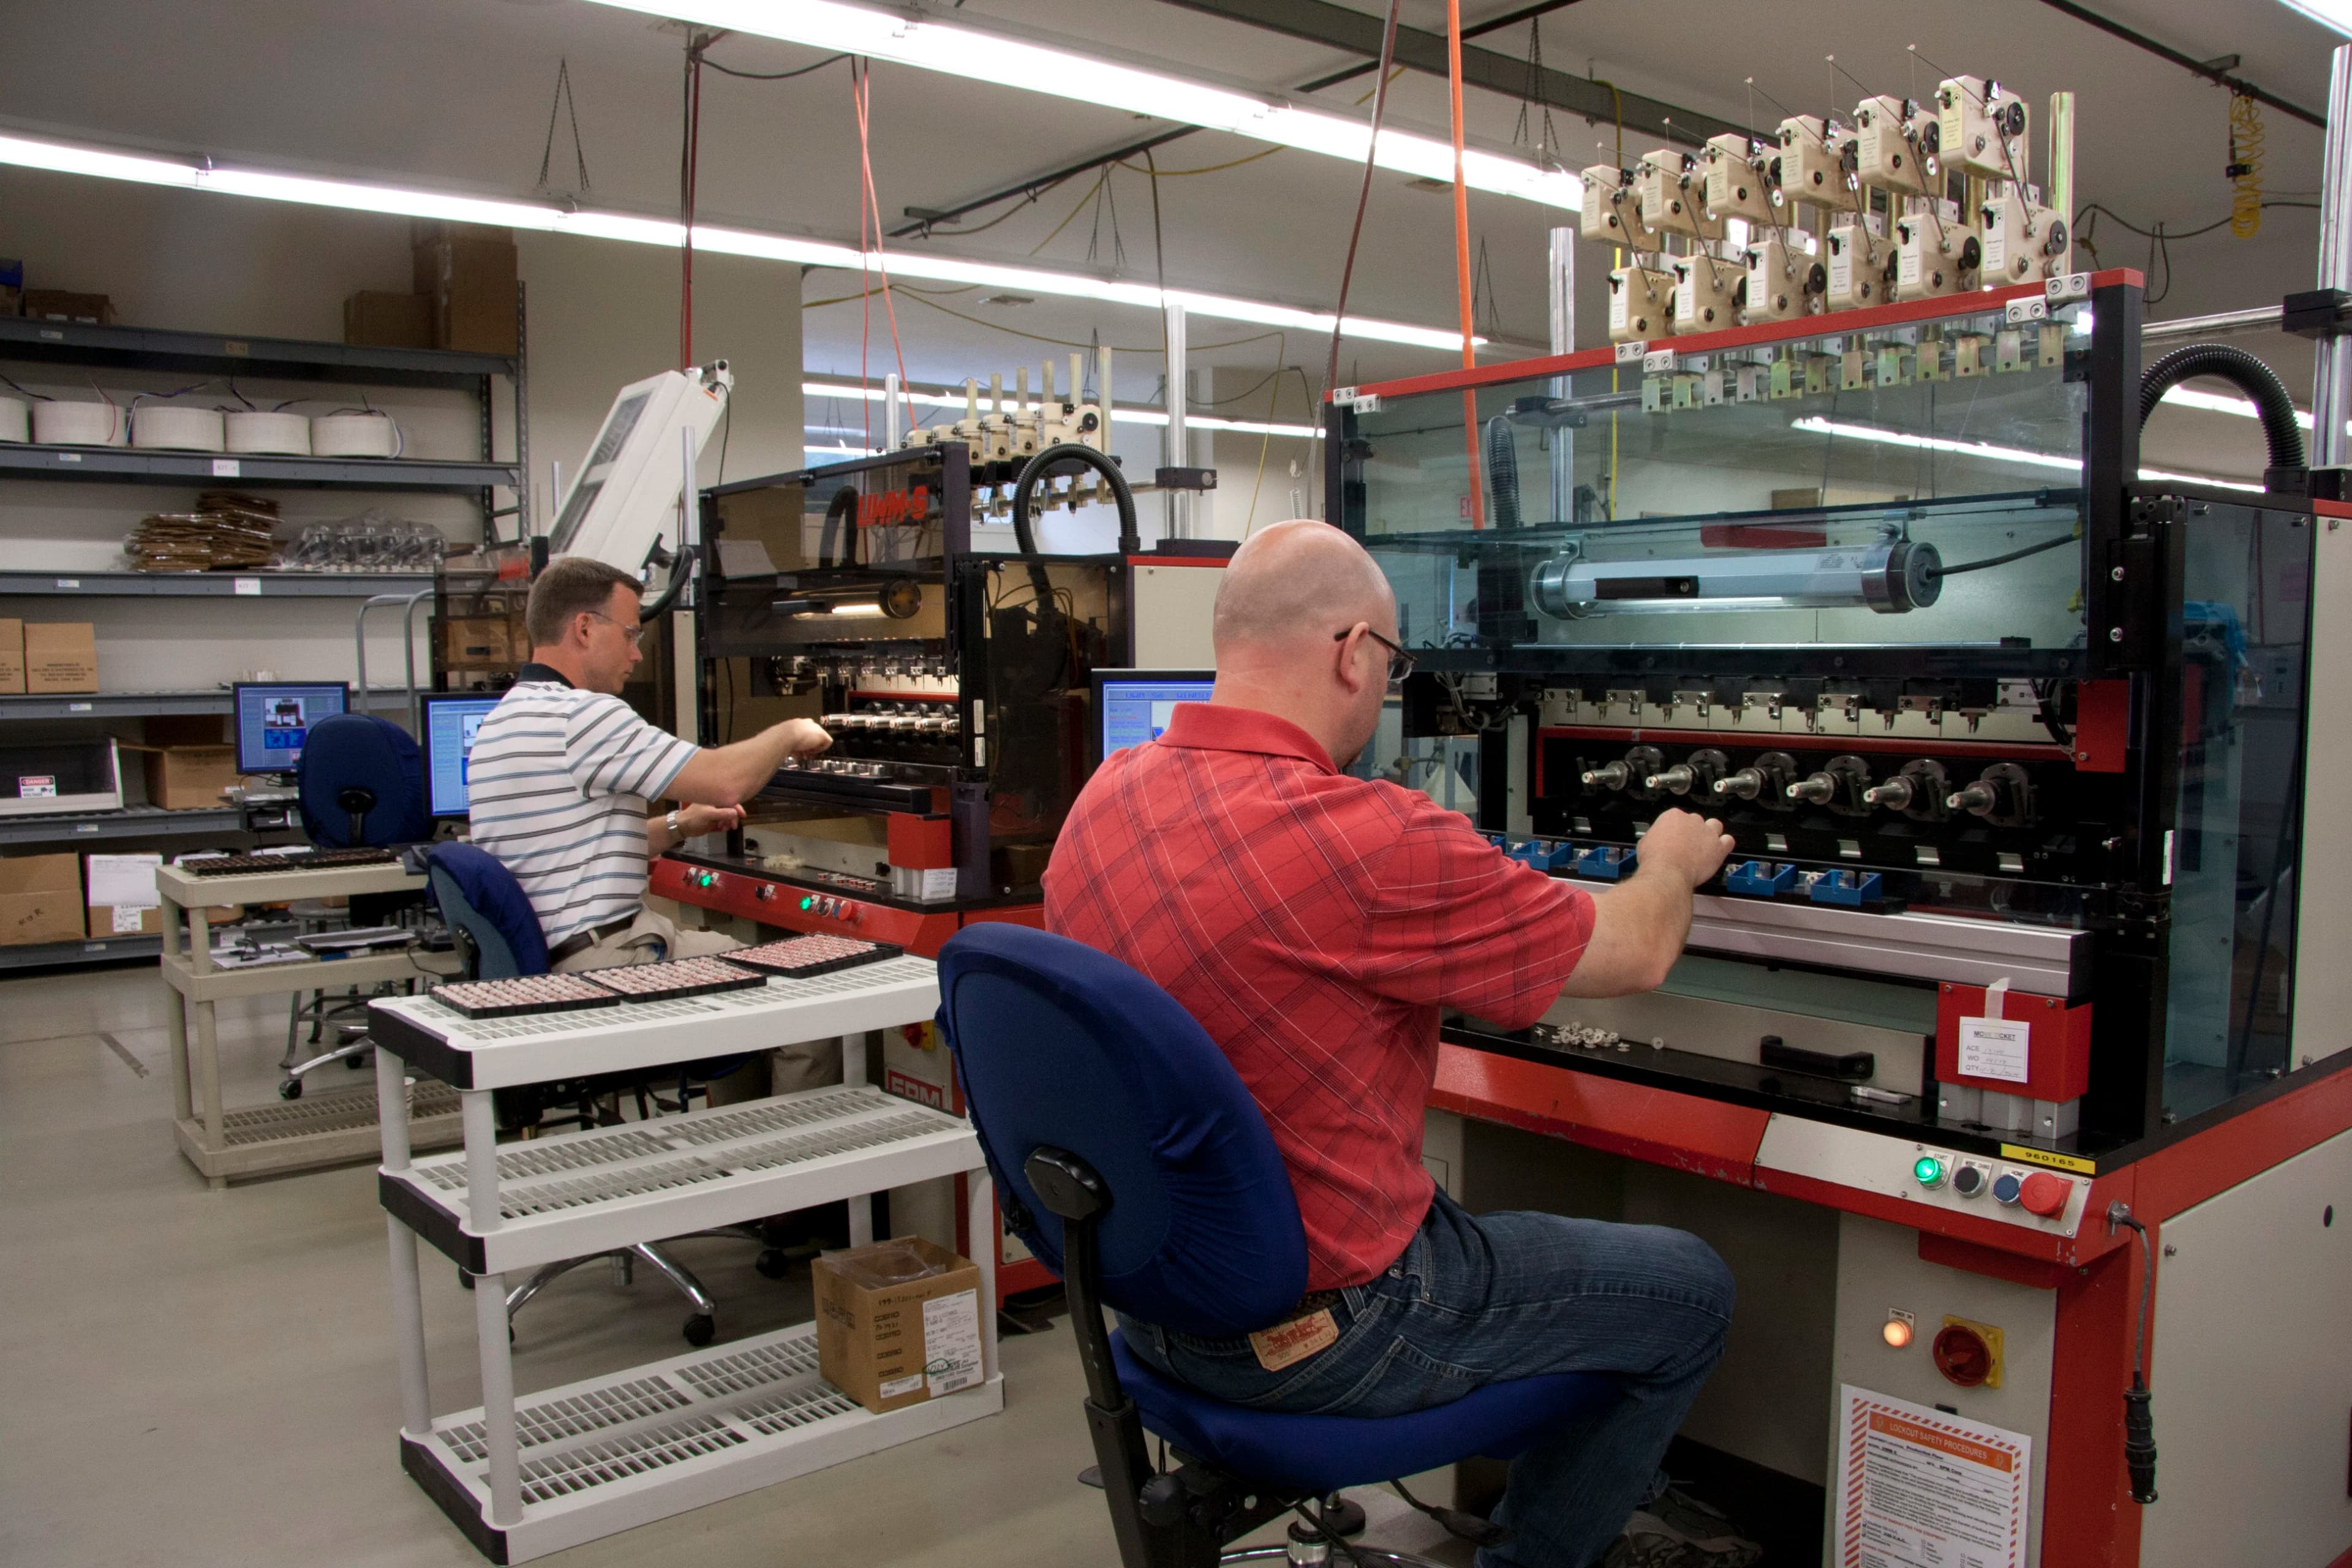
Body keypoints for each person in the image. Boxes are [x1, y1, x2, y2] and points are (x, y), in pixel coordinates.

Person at [1042, 519, 1739, 1568]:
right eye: (1395, 662)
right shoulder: (1376, 838)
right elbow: (1635, 952)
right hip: (1338, 1331)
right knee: (1690, 1290)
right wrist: (1672, 862)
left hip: (1150, 1305)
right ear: (1353, 651)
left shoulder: (1105, 796)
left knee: (1476, 1225)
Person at [468, 555, 835, 1099]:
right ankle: (798, 1178)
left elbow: (565, 846)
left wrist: (678, 825)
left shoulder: (503, 720)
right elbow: (726, 780)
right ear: (585, 628)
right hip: (608, 960)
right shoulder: (583, 717)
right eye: (631, 634)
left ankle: (745, 1155)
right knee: (811, 1000)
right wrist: (789, 731)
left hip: (555, 957)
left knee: (756, 986)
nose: (638, 654)